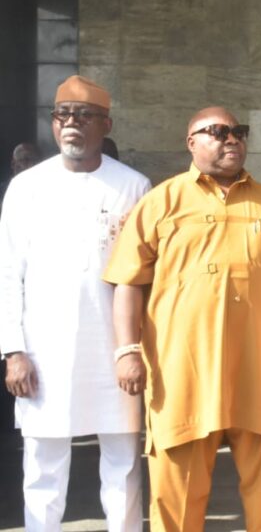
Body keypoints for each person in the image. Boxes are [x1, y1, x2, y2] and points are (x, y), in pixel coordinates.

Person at [103, 106, 261, 531]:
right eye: (218, 132)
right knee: (176, 495)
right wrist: (127, 350)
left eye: (238, 132)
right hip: (184, 376)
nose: (232, 139)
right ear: (191, 142)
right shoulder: (162, 202)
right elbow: (127, 283)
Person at [0, 75, 149, 531]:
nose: (71, 124)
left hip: (115, 351)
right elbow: (8, 272)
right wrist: (12, 350)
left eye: (84, 116)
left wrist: (138, 351)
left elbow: (146, 276)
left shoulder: (134, 186)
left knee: (123, 462)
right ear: (53, 123)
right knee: (44, 464)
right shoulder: (26, 187)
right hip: (45, 349)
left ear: (106, 124)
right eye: (63, 115)